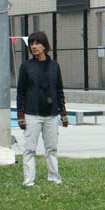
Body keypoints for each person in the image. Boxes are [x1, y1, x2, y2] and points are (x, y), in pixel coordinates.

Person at [16, 31, 69, 186]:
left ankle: (54, 177)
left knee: (52, 148)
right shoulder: (26, 66)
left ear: (45, 46)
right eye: (32, 44)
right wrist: (21, 115)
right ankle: (28, 180)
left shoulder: (54, 66)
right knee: (29, 149)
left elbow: (59, 90)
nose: (34, 46)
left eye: (37, 43)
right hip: (32, 114)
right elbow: (21, 92)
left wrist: (63, 113)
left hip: (51, 115)